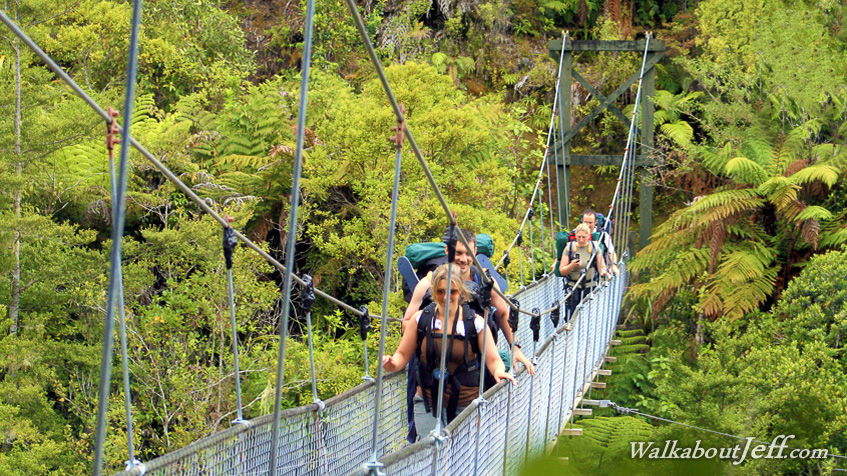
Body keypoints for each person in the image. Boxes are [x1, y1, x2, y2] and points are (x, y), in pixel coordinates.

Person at [383, 264, 516, 437]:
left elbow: (492, 359)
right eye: (440, 291)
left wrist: (499, 371)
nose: (446, 297)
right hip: (427, 402)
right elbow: (401, 355)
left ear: (460, 291)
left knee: (460, 461)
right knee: (430, 454)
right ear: (433, 292)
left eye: (451, 291)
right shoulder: (420, 320)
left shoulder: (475, 323)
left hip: (466, 405)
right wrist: (391, 364)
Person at [403, 229, 535, 374]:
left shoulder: (484, 281)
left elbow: (503, 313)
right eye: (458, 253)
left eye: (468, 253)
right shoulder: (430, 282)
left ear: (475, 252)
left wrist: (515, 348)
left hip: (475, 366)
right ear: (447, 250)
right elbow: (407, 321)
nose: (464, 259)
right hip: (435, 366)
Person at [558, 223, 608, 319]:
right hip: (573, 288)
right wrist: (571, 266)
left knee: (590, 317)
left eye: (584, 237)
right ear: (575, 235)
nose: (581, 240)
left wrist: (604, 273)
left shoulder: (595, 248)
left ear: (588, 236)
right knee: (570, 317)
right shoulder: (569, 248)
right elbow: (562, 271)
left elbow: (602, 267)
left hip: (590, 287)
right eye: (579, 237)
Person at [581, 209, 619, 275]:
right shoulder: (575, 233)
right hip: (580, 269)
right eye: (585, 222)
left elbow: (611, 252)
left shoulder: (603, 234)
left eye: (590, 223)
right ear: (582, 221)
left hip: (600, 270)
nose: (588, 225)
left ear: (595, 222)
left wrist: (614, 265)